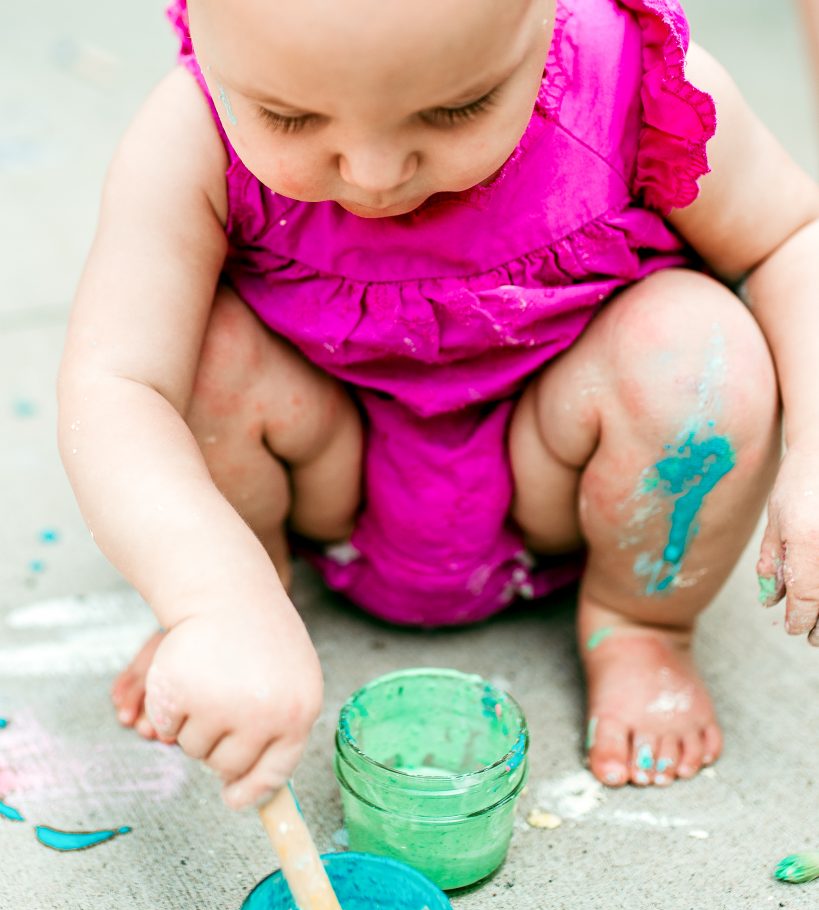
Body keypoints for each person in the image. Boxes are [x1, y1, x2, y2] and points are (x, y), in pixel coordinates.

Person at [58, 0, 819, 810]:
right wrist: (210, 597)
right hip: (325, 472)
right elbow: (117, 383)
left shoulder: (632, 82)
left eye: (456, 107)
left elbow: (789, 239)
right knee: (200, 353)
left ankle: (639, 623)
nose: (374, 175)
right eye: (287, 116)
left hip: (555, 466)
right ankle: (254, 597)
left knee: (699, 348)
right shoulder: (190, 133)